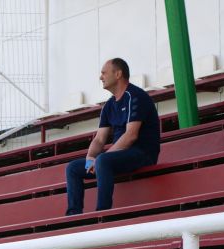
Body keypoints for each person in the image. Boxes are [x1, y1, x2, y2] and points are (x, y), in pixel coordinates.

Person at [65, 58, 161, 216]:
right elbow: (99, 139)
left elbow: (130, 136)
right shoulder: (109, 105)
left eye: (104, 73)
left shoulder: (135, 96)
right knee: (73, 168)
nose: (100, 77)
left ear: (118, 74)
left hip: (142, 153)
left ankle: (102, 213)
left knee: (103, 160)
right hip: (118, 156)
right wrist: (90, 158)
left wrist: (100, 160)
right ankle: (73, 216)